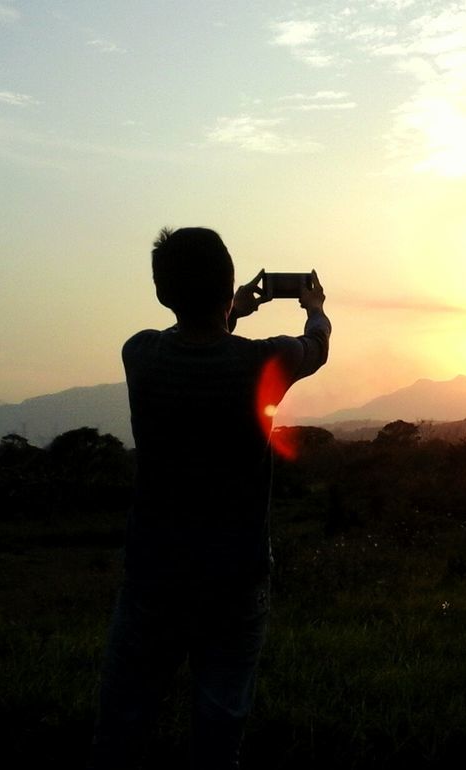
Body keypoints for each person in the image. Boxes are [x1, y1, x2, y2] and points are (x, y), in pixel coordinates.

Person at [90, 227, 330, 769]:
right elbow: (317, 345)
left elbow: (196, 342)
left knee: (123, 721)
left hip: (154, 572)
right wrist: (313, 306)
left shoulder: (140, 354)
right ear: (228, 287)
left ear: (161, 293)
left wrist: (231, 310)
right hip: (234, 576)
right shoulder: (260, 363)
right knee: (220, 724)